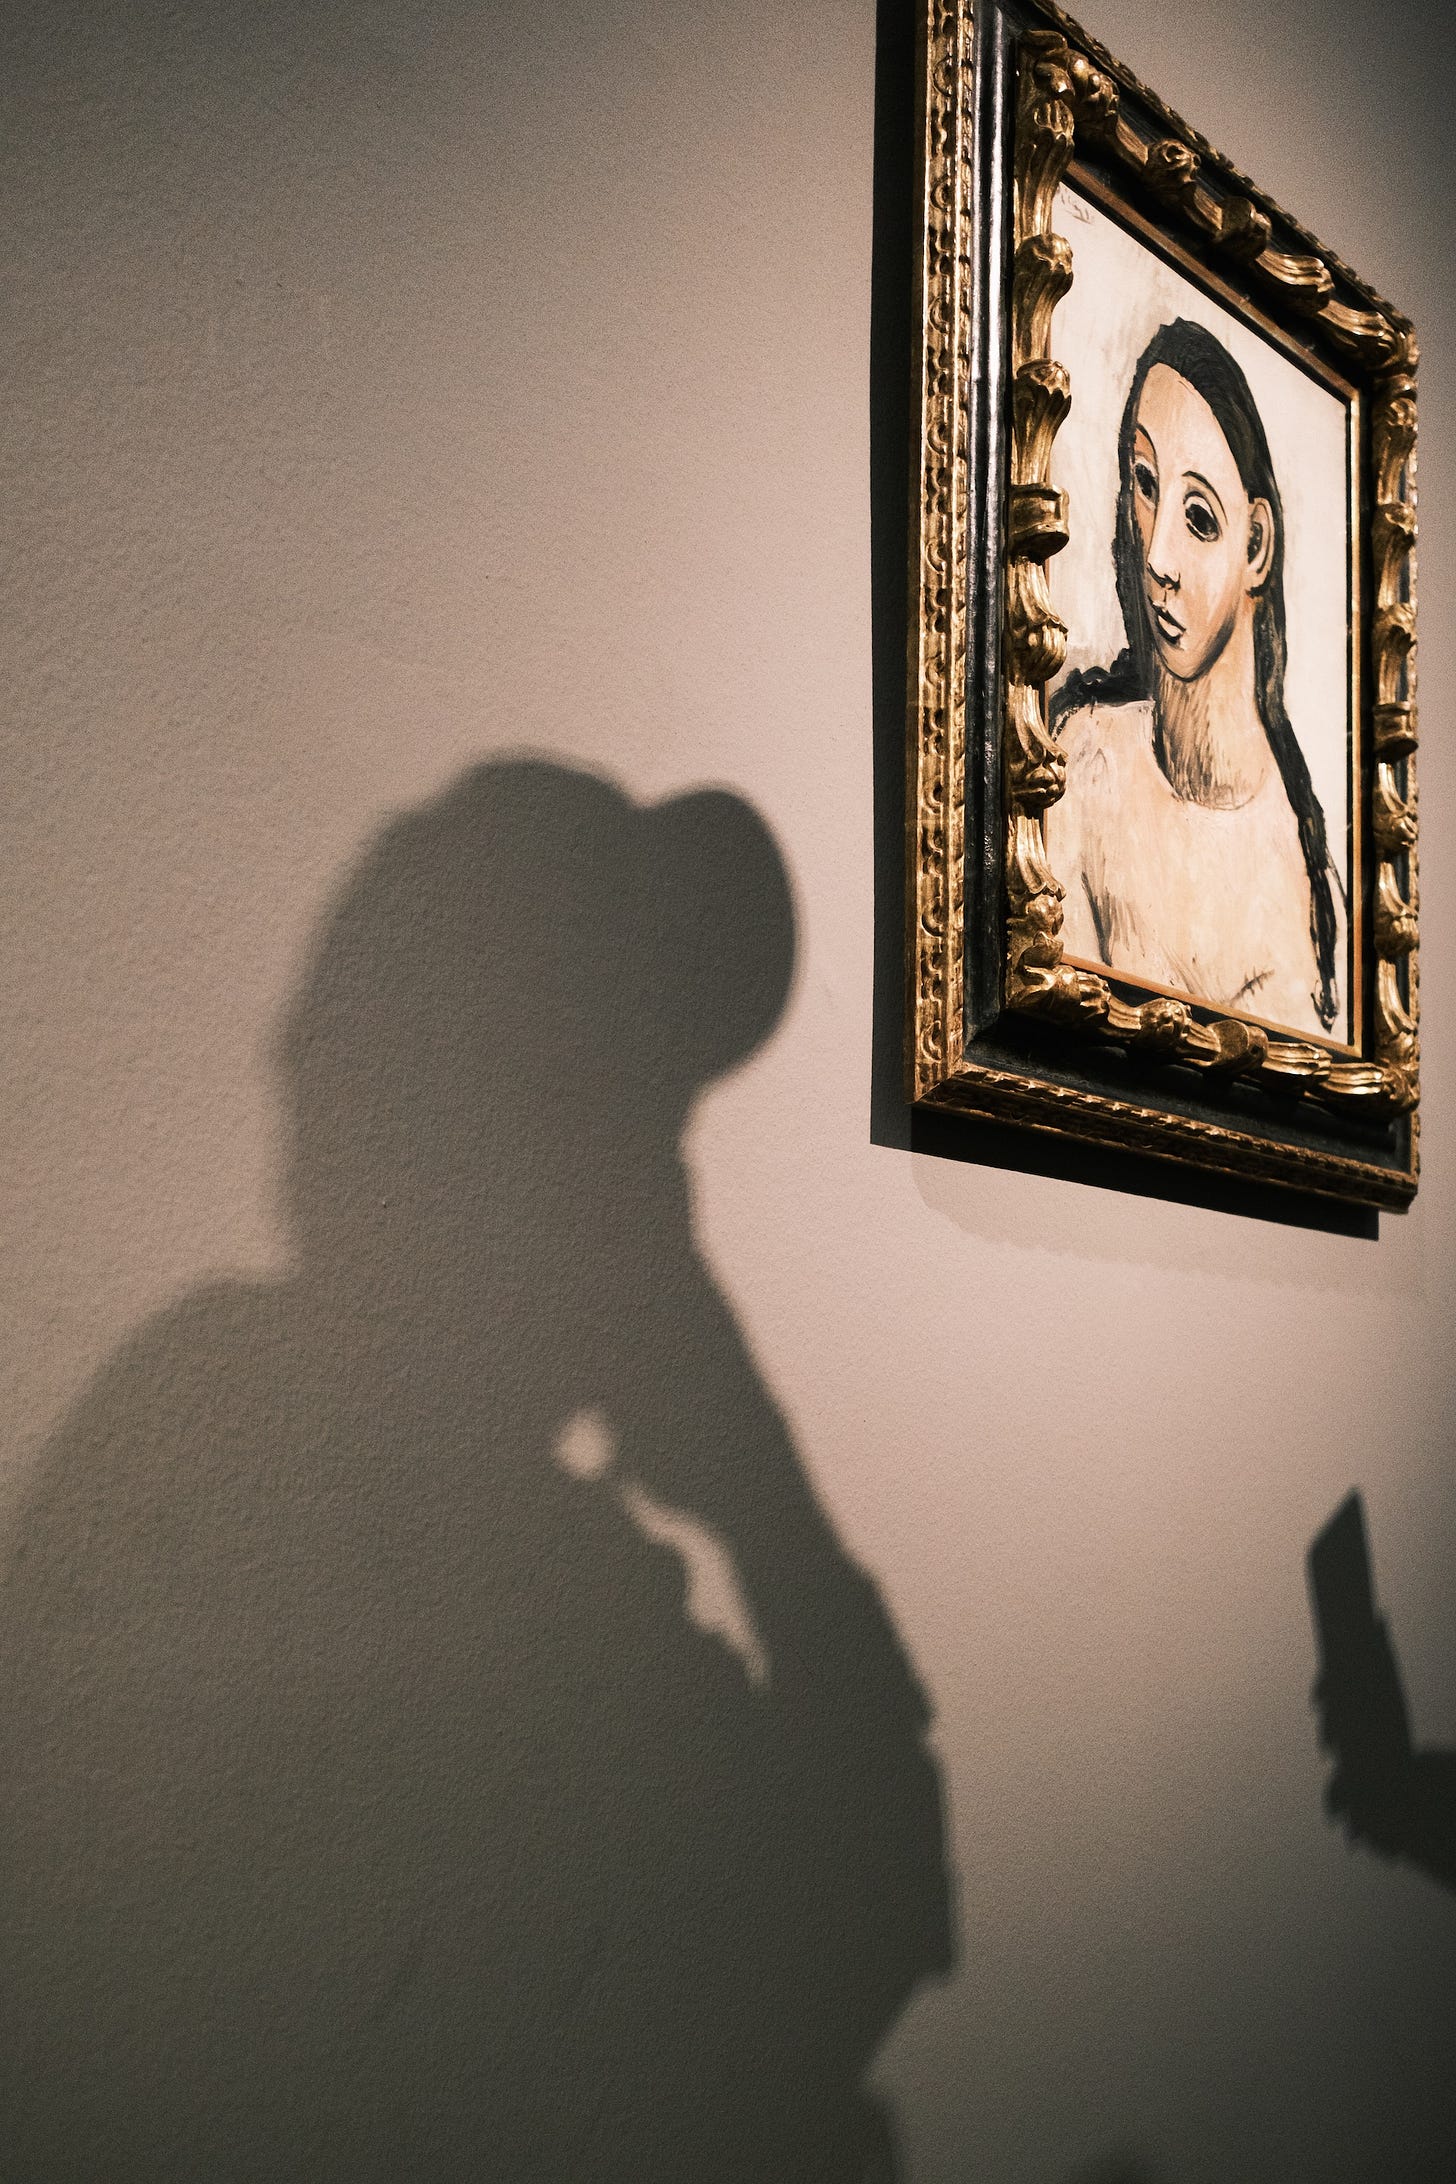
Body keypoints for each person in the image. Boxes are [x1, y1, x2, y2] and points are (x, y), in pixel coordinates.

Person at [1046, 318, 1343, 1040]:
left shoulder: (1305, 880)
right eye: (1146, 486)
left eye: (1200, 519)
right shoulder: (1085, 761)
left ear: (1256, 545)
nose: (1158, 556)